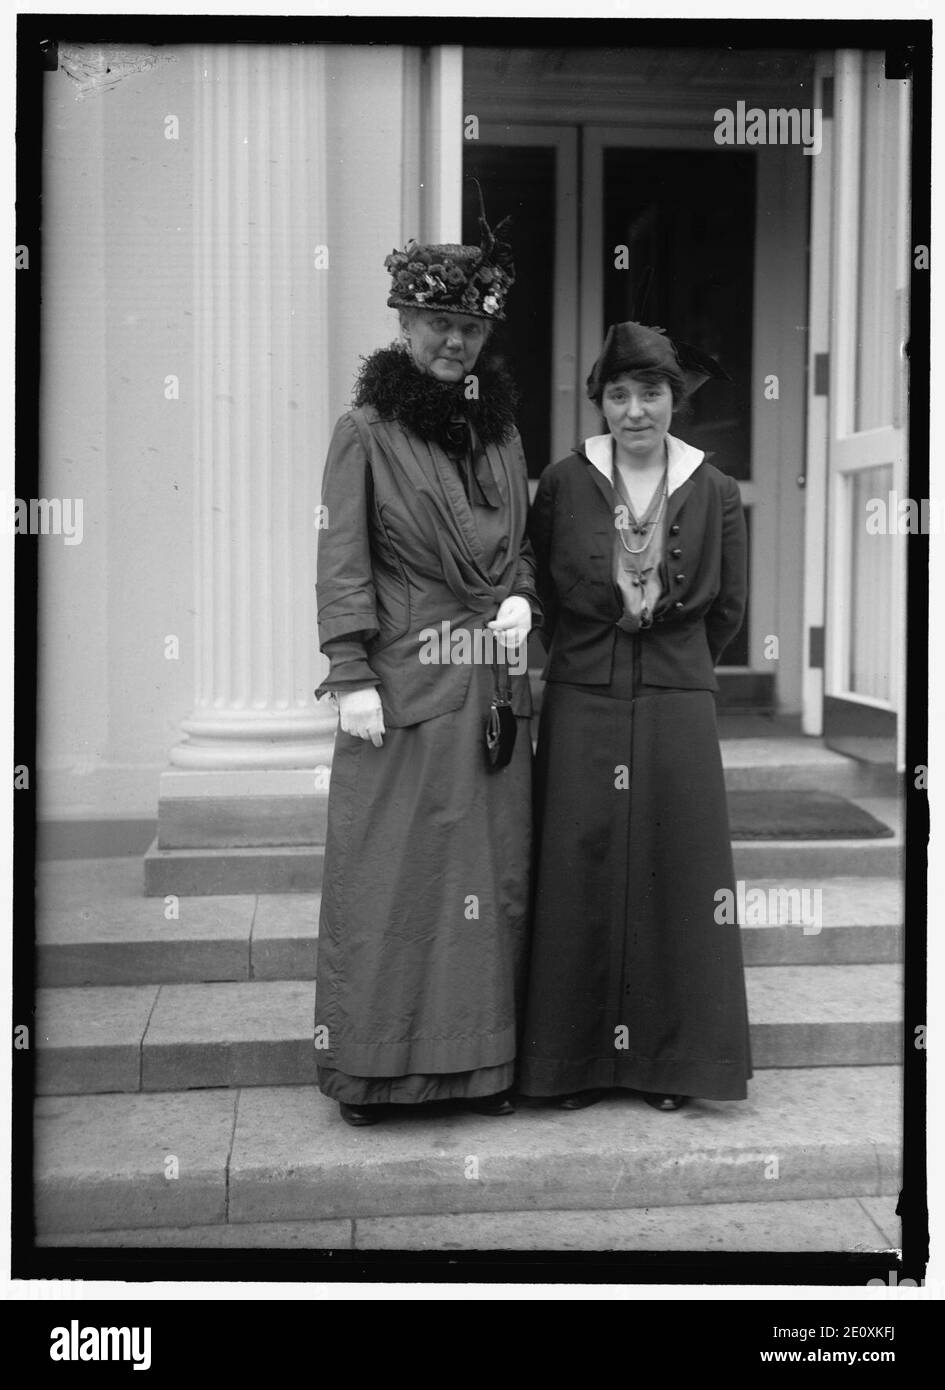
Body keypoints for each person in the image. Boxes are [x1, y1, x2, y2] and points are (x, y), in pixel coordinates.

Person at [313, 212, 538, 1126]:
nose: (454, 341)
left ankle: (478, 1071)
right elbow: (342, 558)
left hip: (490, 686)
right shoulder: (363, 429)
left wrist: (521, 595)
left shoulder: (502, 434)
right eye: (436, 323)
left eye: (471, 328)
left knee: (488, 879)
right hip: (402, 687)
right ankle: (372, 1074)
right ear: (402, 324)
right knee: (395, 878)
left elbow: (517, 548)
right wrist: (348, 672)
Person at [518, 319, 752, 1112]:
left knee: (672, 871)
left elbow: (727, 608)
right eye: (617, 394)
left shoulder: (713, 488)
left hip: (675, 699)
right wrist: (594, 656)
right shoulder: (563, 481)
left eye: (650, 392)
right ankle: (572, 1063)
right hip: (584, 691)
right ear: (600, 402)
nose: (634, 410)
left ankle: (668, 1064)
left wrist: (670, 668)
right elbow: (544, 596)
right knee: (576, 866)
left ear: (672, 398)